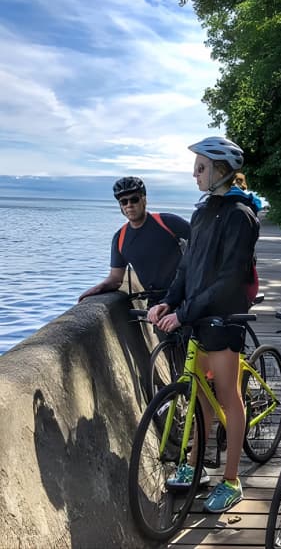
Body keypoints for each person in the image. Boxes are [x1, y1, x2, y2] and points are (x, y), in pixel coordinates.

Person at [147, 136, 259, 513]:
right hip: (198, 316)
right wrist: (168, 300)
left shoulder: (240, 216)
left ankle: (231, 480)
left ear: (220, 170)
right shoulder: (202, 212)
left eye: (200, 167)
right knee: (200, 394)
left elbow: (229, 279)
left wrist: (184, 311)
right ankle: (195, 465)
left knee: (228, 397)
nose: (194, 173)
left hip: (224, 319)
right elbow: (187, 267)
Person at [78, 177, 190, 305]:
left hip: (186, 296)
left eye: (134, 199)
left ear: (144, 200)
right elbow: (115, 279)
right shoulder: (120, 238)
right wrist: (95, 290)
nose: (129, 205)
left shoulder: (168, 222)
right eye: (124, 202)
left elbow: (204, 243)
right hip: (156, 304)